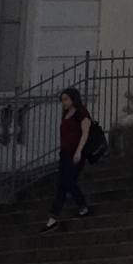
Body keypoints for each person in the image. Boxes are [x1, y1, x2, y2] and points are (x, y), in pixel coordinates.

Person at [42, 87, 92, 232]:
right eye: (62, 100)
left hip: (76, 154)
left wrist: (79, 151)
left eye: (66, 99)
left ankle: (82, 206)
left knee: (68, 182)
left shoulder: (81, 112)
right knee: (62, 185)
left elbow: (85, 133)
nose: (63, 102)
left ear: (73, 98)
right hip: (64, 154)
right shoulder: (66, 114)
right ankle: (53, 218)